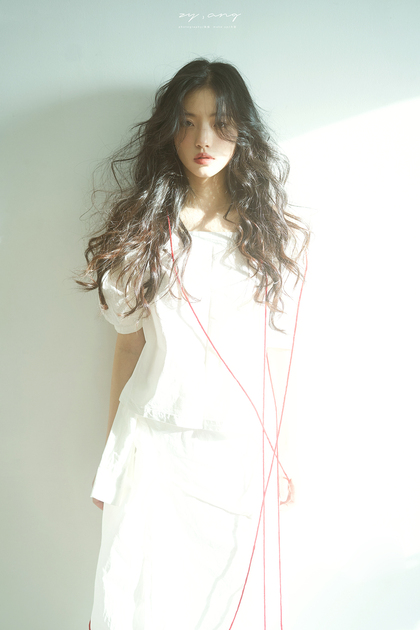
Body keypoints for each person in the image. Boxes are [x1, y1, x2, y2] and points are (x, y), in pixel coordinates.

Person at [77, 57, 310, 630]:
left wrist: (281, 454)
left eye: (220, 123)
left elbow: (277, 355)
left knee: (232, 603)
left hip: (237, 451)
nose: (203, 140)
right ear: (169, 130)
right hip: (152, 450)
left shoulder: (275, 236)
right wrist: (111, 455)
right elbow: (129, 348)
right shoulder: (142, 231)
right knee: (138, 600)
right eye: (187, 122)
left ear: (242, 130)